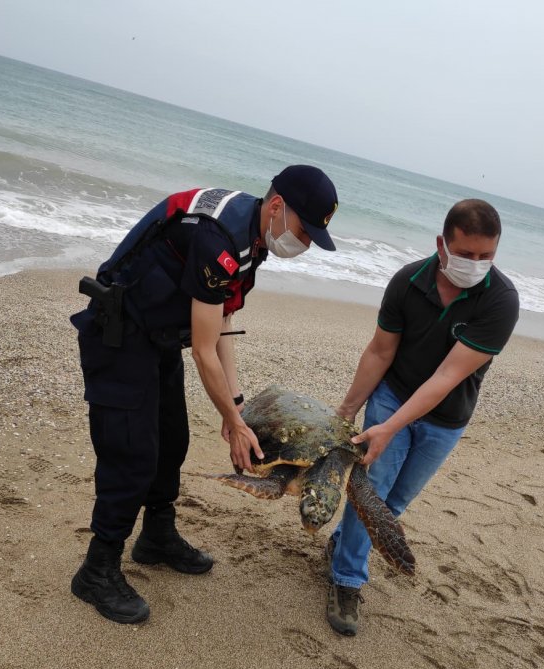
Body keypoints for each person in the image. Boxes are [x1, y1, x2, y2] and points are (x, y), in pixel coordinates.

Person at [69, 165, 339, 624]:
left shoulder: (253, 242)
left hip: (158, 336)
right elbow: (202, 349)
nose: (306, 243)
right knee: (132, 454)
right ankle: (97, 569)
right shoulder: (220, 240)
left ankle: (156, 536)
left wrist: (236, 407)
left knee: (172, 441)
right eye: (304, 230)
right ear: (277, 206)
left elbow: (222, 325)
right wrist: (232, 422)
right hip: (119, 334)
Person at [326, 198, 519, 636]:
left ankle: (341, 546)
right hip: (392, 397)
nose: (476, 264)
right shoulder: (407, 281)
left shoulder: (501, 301)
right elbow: (380, 351)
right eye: (466, 254)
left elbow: (449, 375)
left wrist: (390, 430)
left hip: (446, 417)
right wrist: (346, 413)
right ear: (442, 244)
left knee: (392, 505)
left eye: (486, 256)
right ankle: (345, 579)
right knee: (370, 493)